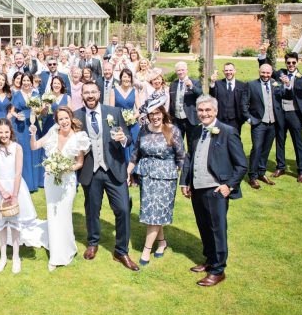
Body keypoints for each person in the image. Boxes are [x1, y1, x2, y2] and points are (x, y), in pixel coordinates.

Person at [180, 96, 247, 287]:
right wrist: (185, 182)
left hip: (216, 189)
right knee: (203, 226)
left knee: (217, 229)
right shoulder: (195, 131)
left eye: (208, 110)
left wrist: (228, 185)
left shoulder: (228, 132)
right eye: (201, 110)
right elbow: (189, 157)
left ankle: (218, 270)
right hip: (197, 188)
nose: (204, 114)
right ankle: (210, 260)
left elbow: (242, 164)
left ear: (215, 111)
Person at [74, 81, 138, 271]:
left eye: (93, 92)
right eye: (86, 92)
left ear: (99, 94)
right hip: (90, 170)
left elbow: (129, 138)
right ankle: (93, 242)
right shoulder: (76, 116)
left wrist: (124, 139)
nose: (90, 95)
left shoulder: (114, 112)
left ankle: (121, 251)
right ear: (82, 95)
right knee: (92, 210)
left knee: (123, 209)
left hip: (114, 170)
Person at [0, 118, 45, 274]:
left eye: (6, 132)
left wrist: (14, 195)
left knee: (16, 225)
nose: (4, 135)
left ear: (11, 132)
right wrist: (2, 191)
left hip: (16, 188)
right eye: (1, 132)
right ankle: (3, 258)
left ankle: (16, 257)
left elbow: (18, 172)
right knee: (1, 226)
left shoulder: (17, 147)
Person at [29, 107, 89, 270]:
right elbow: (34, 146)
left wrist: (65, 168)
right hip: (51, 181)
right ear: (57, 121)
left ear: (71, 118)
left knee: (65, 215)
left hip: (67, 182)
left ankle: (68, 248)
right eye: (60, 119)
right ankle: (55, 255)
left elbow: (79, 163)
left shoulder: (79, 137)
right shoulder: (53, 132)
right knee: (53, 214)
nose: (64, 121)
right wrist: (33, 134)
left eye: (66, 118)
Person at [129, 106, 185, 266]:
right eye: (151, 114)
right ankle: (161, 242)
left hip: (165, 178)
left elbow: (181, 157)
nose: (154, 117)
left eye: (157, 113)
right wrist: (128, 171)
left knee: (155, 213)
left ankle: (146, 250)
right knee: (151, 212)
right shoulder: (144, 130)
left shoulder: (173, 130)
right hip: (146, 176)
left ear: (163, 113)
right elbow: (136, 153)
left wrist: (184, 181)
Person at [258, 49, 302, 182]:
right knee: (280, 140)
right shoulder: (280, 73)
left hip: (294, 112)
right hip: (280, 112)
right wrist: (263, 54)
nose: (291, 65)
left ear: (297, 63)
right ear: (285, 63)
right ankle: (280, 167)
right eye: (288, 62)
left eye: (293, 62)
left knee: (298, 142)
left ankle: (301, 171)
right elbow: (266, 68)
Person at [243, 64, 284, 189]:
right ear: (259, 71)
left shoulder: (276, 84)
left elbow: (285, 95)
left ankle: (261, 173)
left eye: (268, 73)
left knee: (266, 149)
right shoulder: (251, 85)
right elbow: (243, 104)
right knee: (257, 148)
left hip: (273, 122)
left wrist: (287, 85)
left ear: (271, 73)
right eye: (263, 72)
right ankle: (252, 176)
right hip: (258, 123)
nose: (265, 75)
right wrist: (249, 119)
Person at [11, 73, 44, 190]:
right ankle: (26, 181)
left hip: (34, 125)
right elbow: (12, 110)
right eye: (24, 81)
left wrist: (37, 110)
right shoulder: (17, 94)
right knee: (24, 151)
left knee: (35, 150)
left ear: (31, 82)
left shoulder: (35, 94)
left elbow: (40, 111)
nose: (25, 83)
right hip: (21, 126)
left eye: (28, 81)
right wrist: (17, 115)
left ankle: (37, 180)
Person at [168, 61, 202, 152]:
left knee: (192, 145)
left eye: (182, 70)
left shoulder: (195, 82)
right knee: (177, 144)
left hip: (190, 119)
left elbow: (201, 95)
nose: (181, 72)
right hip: (177, 120)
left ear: (186, 70)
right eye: (178, 70)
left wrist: (191, 86)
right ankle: (181, 160)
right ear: (176, 72)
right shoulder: (173, 84)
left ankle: (191, 160)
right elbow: (171, 101)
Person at [209, 62, 248, 135]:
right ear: (223, 72)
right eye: (226, 70)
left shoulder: (242, 85)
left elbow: (245, 102)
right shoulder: (218, 84)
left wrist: (242, 119)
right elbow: (212, 97)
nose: (228, 72)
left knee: (234, 140)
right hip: (220, 120)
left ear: (235, 71)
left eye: (230, 70)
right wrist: (212, 83)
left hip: (236, 121)